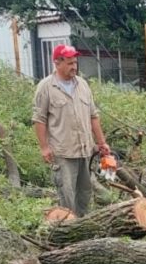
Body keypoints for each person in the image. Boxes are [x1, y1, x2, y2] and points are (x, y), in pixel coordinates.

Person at [32, 44, 110, 216]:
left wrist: (102, 143)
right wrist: (44, 147)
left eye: (75, 62)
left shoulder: (82, 85)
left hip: (85, 151)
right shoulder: (46, 87)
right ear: (57, 63)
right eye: (69, 63)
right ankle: (68, 231)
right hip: (63, 152)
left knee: (85, 194)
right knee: (67, 196)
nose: (74, 66)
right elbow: (39, 120)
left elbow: (93, 116)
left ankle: (83, 228)